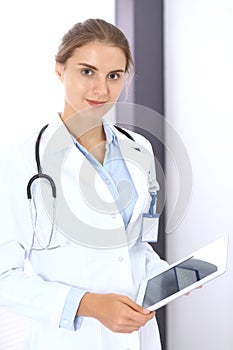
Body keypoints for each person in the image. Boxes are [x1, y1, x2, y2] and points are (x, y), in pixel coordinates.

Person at [0, 19, 168, 350]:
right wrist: (88, 304)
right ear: (60, 70)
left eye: (114, 76)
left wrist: (168, 277)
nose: (101, 90)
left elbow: (134, 246)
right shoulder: (19, 161)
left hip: (137, 333)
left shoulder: (140, 150)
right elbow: (4, 279)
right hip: (68, 339)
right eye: (87, 72)